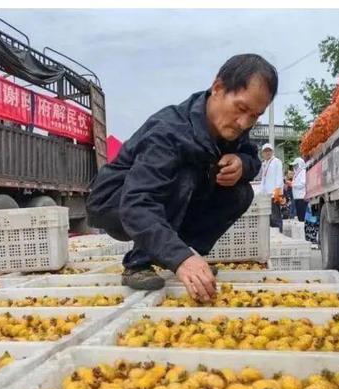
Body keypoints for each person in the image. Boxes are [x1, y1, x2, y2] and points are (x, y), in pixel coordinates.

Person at [85, 54, 277, 300]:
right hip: (117, 202)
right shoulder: (169, 132)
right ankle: (140, 263)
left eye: (254, 116)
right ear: (217, 88)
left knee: (240, 193)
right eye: (241, 109)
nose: (244, 122)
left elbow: (252, 157)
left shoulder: (235, 127)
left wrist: (243, 163)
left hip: (157, 197)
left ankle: (184, 254)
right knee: (184, 175)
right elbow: (138, 203)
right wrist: (180, 258)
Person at [258, 143, 284, 231]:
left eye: (269, 151)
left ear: (272, 152)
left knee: (275, 217)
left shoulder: (276, 161)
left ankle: (279, 234)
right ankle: (273, 236)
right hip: (266, 195)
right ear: (262, 153)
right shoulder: (264, 164)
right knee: (269, 218)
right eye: (265, 151)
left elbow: (279, 177)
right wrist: (261, 193)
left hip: (274, 194)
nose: (267, 153)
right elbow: (263, 180)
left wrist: (277, 192)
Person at [291, 157, 307, 222]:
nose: (294, 167)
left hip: (302, 197)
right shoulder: (297, 173)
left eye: (295, 165)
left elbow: (303, 184)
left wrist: (293, 185)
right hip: (298, 198)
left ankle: (304, 230)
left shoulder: (302, 172)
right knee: (300, 216)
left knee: (302, 216)